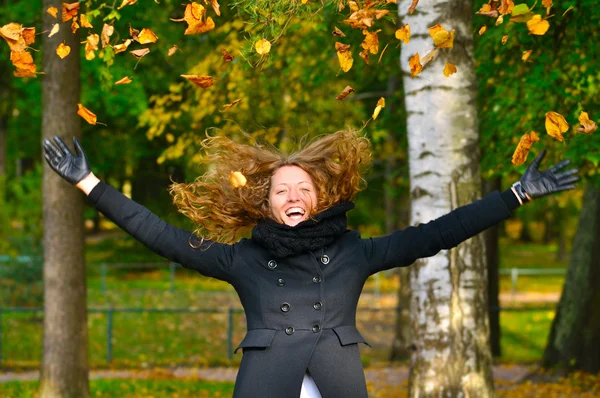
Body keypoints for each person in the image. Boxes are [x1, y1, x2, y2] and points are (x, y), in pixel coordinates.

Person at [42, 131, 579, 398]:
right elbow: (160, 234)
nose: (294, 195)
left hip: (336, 379)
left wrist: (515, 195)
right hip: (264, 380)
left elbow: (437, 234)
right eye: (283, 189)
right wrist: (90, 185)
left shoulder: (352, 251)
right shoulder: (243, 258)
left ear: (319, 199)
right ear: (267, 202)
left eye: (304, 188)